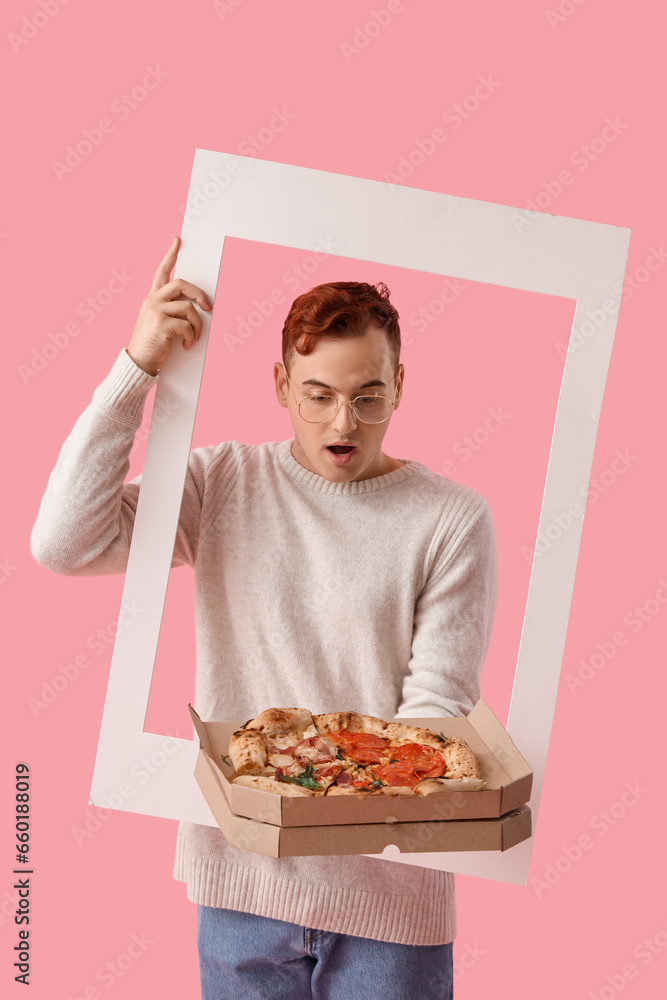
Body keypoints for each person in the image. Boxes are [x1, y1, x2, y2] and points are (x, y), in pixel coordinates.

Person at [31, 236, 498, 1000]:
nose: (342, 421)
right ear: (281, 384)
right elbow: (63, 543)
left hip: (386, 895)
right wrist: (136, 368)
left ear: (400, 384)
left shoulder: (450, 518)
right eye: (317, 394)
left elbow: (434, 710)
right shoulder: (222, 484)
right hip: (241, 887)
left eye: (367, 393)